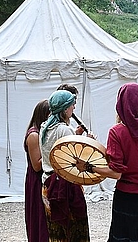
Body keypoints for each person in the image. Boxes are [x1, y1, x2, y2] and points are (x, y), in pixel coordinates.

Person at [85, 83, 138, 242]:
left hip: (128, 197)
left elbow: (116, 173)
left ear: (120, 103)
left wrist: (90, 167)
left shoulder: (116, 132)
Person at [39, 89, 90, 242]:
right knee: (74, 231)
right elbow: (77, 160)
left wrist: (75, 135)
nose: (74, 107)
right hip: (66, 188)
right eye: (72, 105)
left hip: (48, 185)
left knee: (56, 231)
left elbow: (58, 148)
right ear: (65, 108)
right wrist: (89, 142)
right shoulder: (65, 130)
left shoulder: (44, 127)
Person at [24, 99, 50, 242]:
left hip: (43, 179)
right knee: (38, 217)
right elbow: (37, 165)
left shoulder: (42, 132)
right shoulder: (34, 135)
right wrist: (55, 152)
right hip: (36, 181)